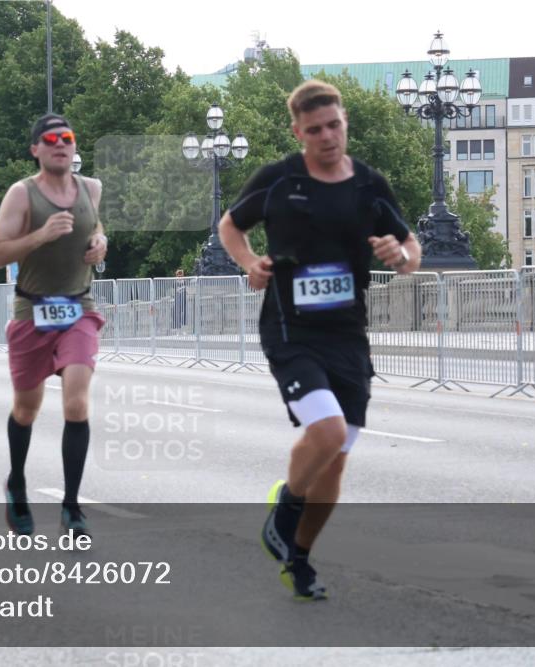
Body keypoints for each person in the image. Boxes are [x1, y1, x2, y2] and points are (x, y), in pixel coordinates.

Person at [217, 80, 422, 600]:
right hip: (291, 329)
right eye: (315, 130)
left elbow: (411, 246)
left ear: (344, 121)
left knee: (337, 457)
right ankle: (284, 511)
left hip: (348, 333)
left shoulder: (369, 186)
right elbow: (230, 225)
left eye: (334, 125)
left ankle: (299, 559)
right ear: (298, 132)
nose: (327, 137)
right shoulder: (280, 179)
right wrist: (249, 263)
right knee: (327, 432)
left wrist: (400, 259)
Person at [0, 113, 108, 538]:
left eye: (68, 138)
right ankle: (17, 483)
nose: (61, 144)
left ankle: (72, 508)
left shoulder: (91, 189)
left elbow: (97, 227)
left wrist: (100, 243)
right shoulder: (22, 195)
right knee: (26, 409)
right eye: (51, 139)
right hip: (32, 310)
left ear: (75, 147)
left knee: (76, 402)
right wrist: (41, 236)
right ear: (36, 148)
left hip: (78, 307)